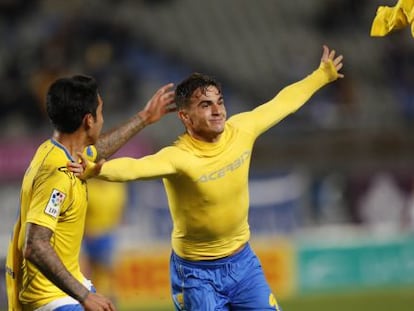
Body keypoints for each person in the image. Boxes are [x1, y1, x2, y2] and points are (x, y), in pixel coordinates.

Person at [70, 45, 344, 310]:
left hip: (243, 264)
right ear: (185, 117)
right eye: (205, 105)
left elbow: (282, 103)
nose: (217, 110)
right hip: (195, 275)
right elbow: (136, 168)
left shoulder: (242, 130)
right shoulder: (179, 157)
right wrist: (97, 170)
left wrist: (321, 75)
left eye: (219, 102)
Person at [5, 75, 175, 311]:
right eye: (101, 113)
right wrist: (85, 296)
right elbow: (35, 244)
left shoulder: (61, 151)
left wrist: (144, 118)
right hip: (51, 300)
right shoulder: (56, 174)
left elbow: (99, 150)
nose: (102, 120)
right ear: (88, 120)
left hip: (68, 287)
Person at [80, 179, 128, 302]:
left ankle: (107, 301)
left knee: (107, 271)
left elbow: (120, 212)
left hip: (108, 234)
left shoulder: (117, 188)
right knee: (90, 272)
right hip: (90, 235)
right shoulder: (88, 187)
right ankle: (93, 300)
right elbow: (81, 212)